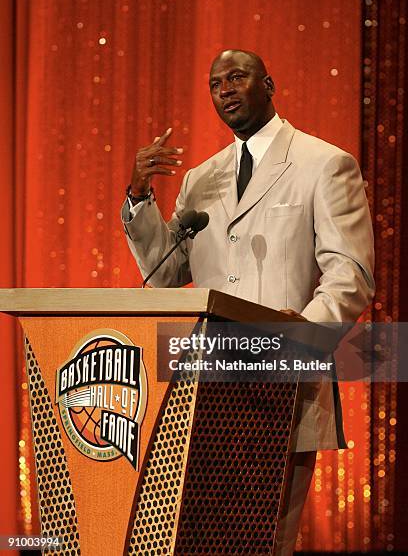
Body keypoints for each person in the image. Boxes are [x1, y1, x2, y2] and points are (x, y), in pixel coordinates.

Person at [121, 49, 375, 555]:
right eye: (216, 84)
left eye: (237, 77)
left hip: (282, 383)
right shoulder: (201, 178)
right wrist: (138, 194)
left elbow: (352, 273)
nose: (225, 90)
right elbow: (167, 275)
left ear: (269, 84)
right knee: (205, 539)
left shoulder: (323, 163)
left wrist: (299, 339)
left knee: (264, 541)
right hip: (205, 389)